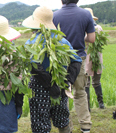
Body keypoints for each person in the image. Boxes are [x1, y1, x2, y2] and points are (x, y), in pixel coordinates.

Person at [22, 6, 82, 133]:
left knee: (40, 122)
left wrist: (50, 85)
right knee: (62, 119)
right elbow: (77, 61)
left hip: (40, 87)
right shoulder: (63, 40)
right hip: (60, 85)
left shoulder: (32, 42)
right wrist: (67, 81)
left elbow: (34, 67)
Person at [53, 0, 96, 133]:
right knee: (80, 92)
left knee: (63, 94)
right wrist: (79, 37)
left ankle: (66, 126)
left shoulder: (54, 15)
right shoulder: (86, 14)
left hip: (60, 59)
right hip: (79, 58)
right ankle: (85, 126)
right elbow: (92, 39)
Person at [84, 8, 105, 111]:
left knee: (86, 83)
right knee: (96, 82)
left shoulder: (83, 30)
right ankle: (101, 104)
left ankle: (88, 108)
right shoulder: (99, 28)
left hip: (87, 59)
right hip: (97, 59)